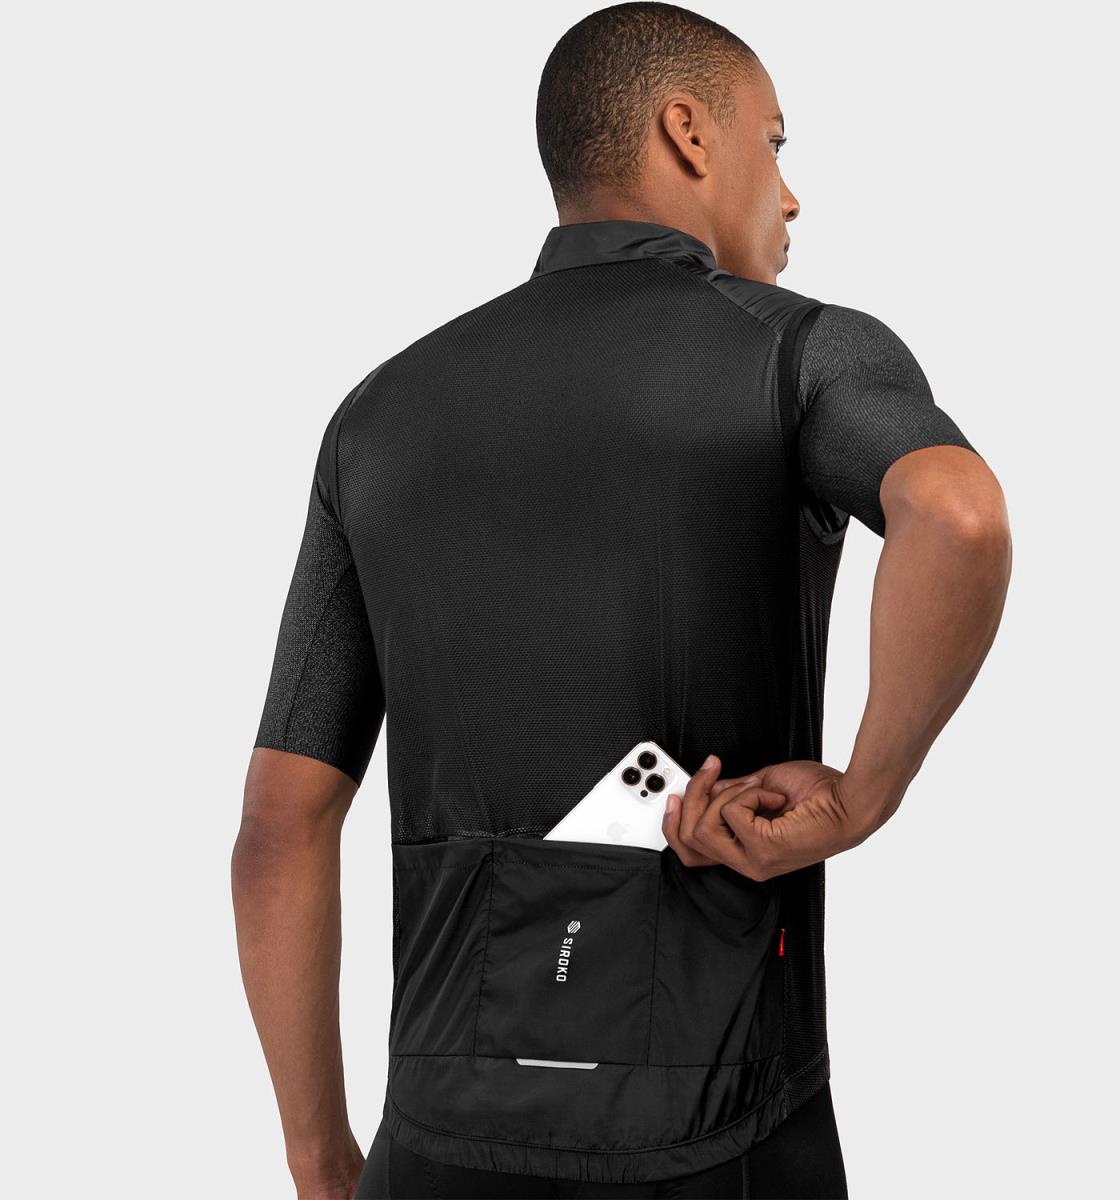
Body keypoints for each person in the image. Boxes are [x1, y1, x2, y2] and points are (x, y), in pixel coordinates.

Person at [232, 3, 1012, 1198]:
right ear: (687, 132)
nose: (791, 196)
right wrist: (864, 793)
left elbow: (280, 828)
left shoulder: (378, 415)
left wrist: (321, 1158)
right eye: (775, 143)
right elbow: (958, 515)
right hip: (722, 1134)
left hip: (434, 1145)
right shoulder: (800, 355)